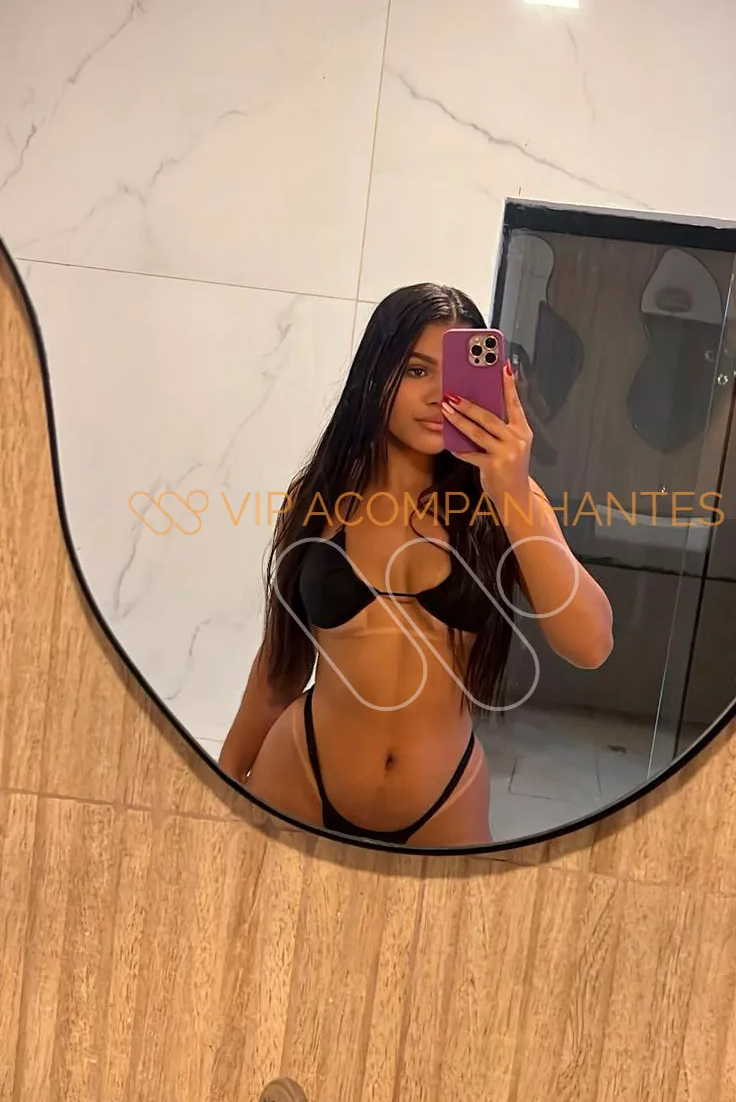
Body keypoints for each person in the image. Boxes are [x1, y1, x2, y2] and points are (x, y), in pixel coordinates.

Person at [219, 283, 613, 847]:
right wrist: (224, 780)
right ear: (375, 376)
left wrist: (510, 492)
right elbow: (281, 664)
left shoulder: (509, 504)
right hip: (300, 774)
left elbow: (591, 645)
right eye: (416, 371)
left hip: (443, 800)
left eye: (455, 376)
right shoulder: (320, 497)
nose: (437, 396)